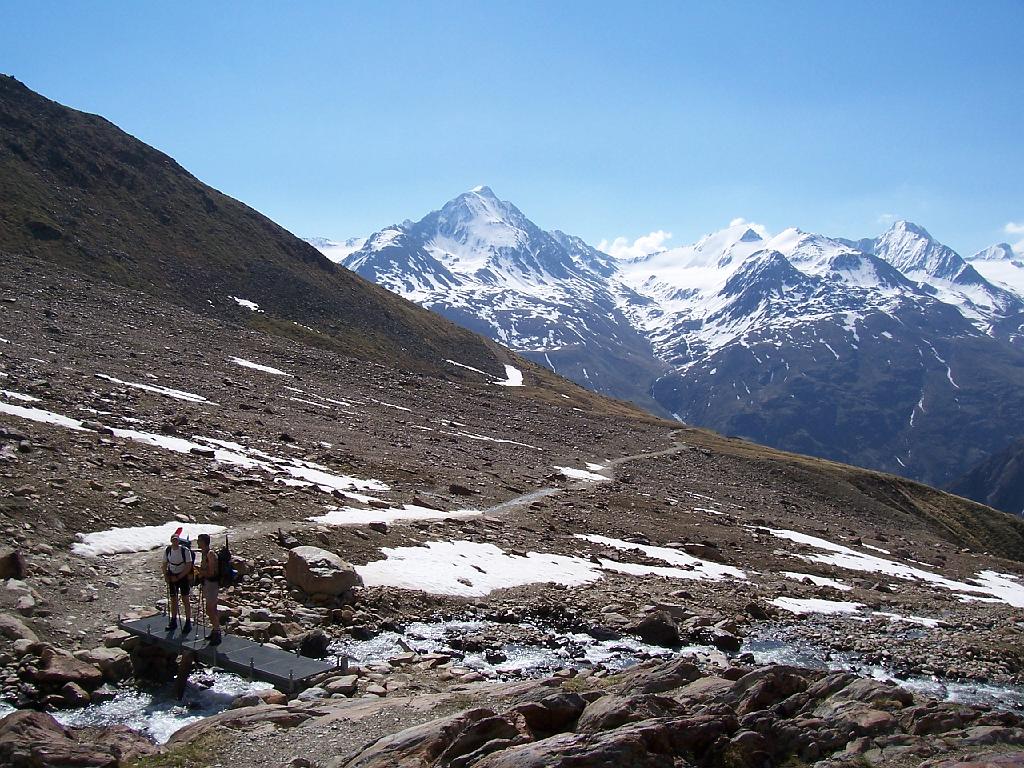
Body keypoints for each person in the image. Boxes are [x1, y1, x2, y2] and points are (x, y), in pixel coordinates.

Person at [163, 533, 193, 634]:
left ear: (178, 540)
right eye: (173, 539)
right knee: (173, 599)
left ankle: (188, 622)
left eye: (176, 539)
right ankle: (173, 620)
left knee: (185, 598)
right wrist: (166, 576)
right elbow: (164, 564)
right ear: (171, 540)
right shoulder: (168, 550)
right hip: (172, 576)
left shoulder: (185, 551)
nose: (175, 541)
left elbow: (188, 565)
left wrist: (179, 577)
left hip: (182, 576)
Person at [196, 533, 222, 646]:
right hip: (207, 583)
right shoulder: (204, 553)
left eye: (199, 540)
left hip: (212, 583)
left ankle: (217, 631)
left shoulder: (210, 554)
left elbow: (211, 572)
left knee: (209, 609)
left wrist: (200, 572)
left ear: (204, 542)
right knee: (213, 608)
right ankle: (215, 630)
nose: (197, 542)